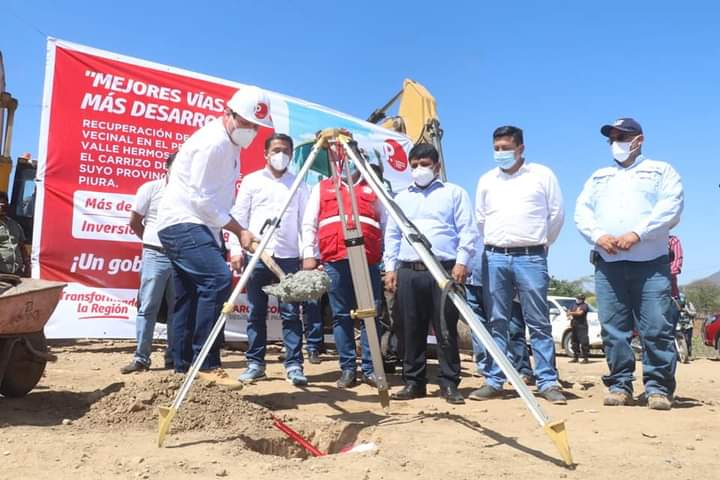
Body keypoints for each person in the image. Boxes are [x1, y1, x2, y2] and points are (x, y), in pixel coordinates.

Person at [156, 86, 272, 387]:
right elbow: (201, 201)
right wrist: (239, 230)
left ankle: (182, 366)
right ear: (228, 113)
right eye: (245, 123)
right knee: (217, 280)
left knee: (189, 294)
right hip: (185, 222)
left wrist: (233, 232)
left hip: (195, 224)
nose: (250, 130)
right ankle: (205, 362)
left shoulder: (230, 145)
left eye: (255, 126)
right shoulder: (214, 144)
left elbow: (214, 202)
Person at [575, 117, 683, 410]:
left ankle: (658, 387)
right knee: (613, 329)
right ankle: (620, 384)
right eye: (612, 138)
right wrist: (598, 235)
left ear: (639, 139)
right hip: (608, 264)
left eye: (623, 136)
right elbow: (582, 212)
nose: (617, 143)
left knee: (656, 327)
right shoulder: (599, 176)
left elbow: (671, 207)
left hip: (651, 264)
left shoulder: (661, 171)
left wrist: (638, 233)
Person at [473, 125, 566, 405]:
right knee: (497, 320)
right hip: (495, 256)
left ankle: (547, 381)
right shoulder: (487, 180)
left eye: (506, 148)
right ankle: (495, 380)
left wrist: (538, 243)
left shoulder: (542, 175)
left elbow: (556, 215)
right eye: (496, 148)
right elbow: (480, 219)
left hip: (531, 256)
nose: (500, 153)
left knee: (537, 321)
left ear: (521, 148)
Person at [384, 143, 478, 405]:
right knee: (409, 328)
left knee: (445, 327)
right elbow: (392, 235)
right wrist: (390, 268)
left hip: (444, 269)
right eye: (414, 165)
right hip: (409, 270)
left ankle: (449, 383)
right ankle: (414, 382)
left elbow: (467, 230)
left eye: (424, 164)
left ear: (436, 166)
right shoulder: (401, 198)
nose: (419, 170)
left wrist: (462, 262)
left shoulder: (454, 193)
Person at [229, 133, 309, 386]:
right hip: (257, 256)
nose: (280, 155)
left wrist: (308, 255)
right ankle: (255, 363)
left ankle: (294, 365)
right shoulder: (252, 181)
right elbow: (238, 217)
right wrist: (235, 249)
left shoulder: (299, 184)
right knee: (255, 312)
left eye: (285, 150)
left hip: (288, 257)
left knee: (291, 313)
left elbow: (305, 223)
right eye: (276, 150)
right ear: (266, 154)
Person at [301, 156, 385, 389]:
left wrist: (387, 260)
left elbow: (387, 224)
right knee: (341, 316)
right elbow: (309, 223)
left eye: (354, 160)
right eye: (344, 159)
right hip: (335, 258)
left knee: (370, 314)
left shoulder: (373, 188)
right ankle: (348, 368)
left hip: (367, 259)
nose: (349, 164)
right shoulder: (323, 187)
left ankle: (370, 368)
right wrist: (309, 253)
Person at [121, 153, 177, 374]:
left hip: (179, 257)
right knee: (148, 307)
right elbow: (134, 220)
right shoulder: (151, 188)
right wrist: (151, 239)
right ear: (167, 167)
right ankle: (141, 358)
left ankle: (173, 357)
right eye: (177, 165)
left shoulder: (189, 193)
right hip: (155, 255)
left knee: (177, 309)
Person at [0, 192, 28, 276]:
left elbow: (22, 247)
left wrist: (27, 266)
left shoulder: (15, 225)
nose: (3, 207)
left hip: (17, 272)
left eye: (5, 204)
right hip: (2, 273)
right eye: (1, 205)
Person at [567, 294, 590, 364]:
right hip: (574, 326)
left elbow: (580, 313)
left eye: (579, 298)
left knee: (584, 342)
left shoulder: (584, 306)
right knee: (574, 342)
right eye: (577, 298)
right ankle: (575, 357)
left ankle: (585, 358)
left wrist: (571, 313)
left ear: (582, 299)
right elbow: (568, 312)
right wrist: (570, 314)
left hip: (582, 326)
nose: (577, 299)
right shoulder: (573, 305)